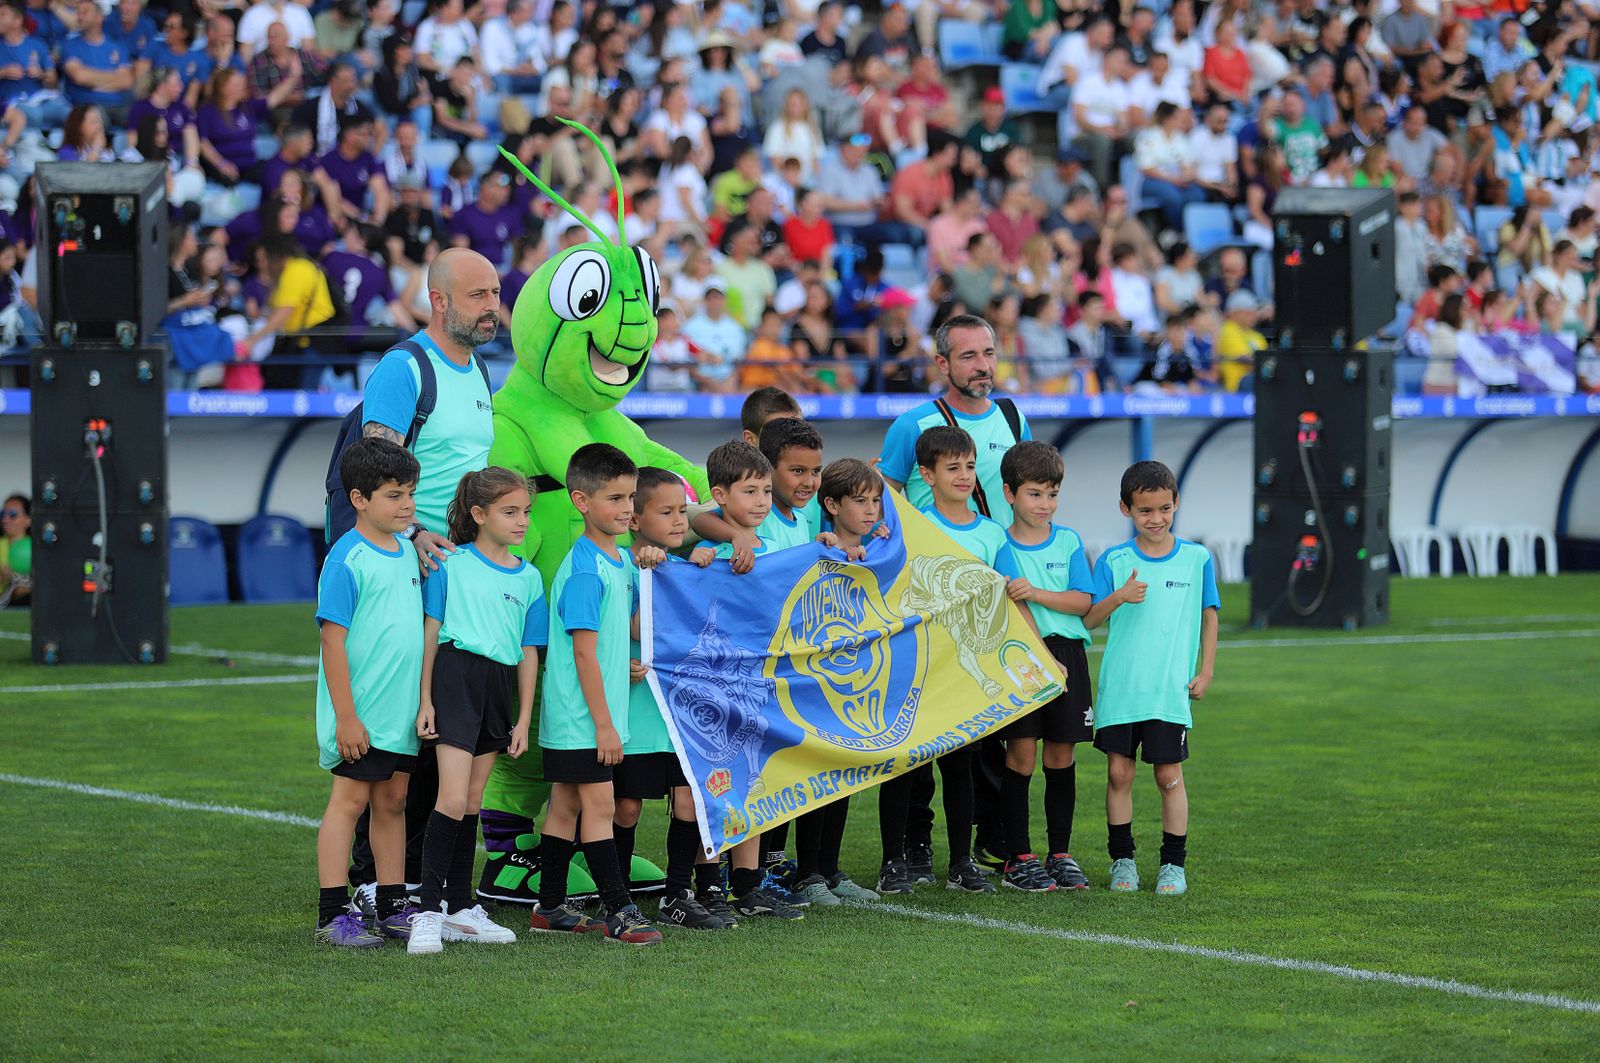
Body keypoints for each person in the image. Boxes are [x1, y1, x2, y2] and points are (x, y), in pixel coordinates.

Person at [342, 248, 499, 899]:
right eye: (478, 295)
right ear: (439, 301)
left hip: (455, 582)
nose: (494, 307)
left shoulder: (480, 369)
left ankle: (419, 879)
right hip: (403, 580)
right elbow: (376, 460)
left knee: (442, 735)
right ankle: (367, 880)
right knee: (398, 737)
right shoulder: (406, 368)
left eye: (495, 293)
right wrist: (412, 532)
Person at [528, 443, 664, 945]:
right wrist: (604, 725)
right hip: (582, 718)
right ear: (581, 501)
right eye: (614, 498)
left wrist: (620, 661)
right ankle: (619, 911)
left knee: (565, 807)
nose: (627, 508)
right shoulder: (585, 568)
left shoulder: (619, 559)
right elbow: (582, 654)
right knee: (600, 808)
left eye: (630, 497)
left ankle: (549, 908)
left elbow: (617, 631)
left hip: (593, 712)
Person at [877, 425, 1022, 896]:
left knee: (962, 765)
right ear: (927, 474)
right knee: (905, 763)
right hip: (917, 663)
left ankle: (962, 861)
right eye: (952, 468)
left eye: (968, 466)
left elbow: (1013, 600)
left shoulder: (992, 533)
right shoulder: (910, 526)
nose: (964, 476)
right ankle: (893, 860)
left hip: (963, 671)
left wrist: (1041, 659)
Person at [406, 468, 544, 954]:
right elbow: (431, 630)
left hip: (496, 687)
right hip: (454, 676)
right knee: (450, 797)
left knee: (471, 802)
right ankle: (427, 912)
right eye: (510, 512)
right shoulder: (451, 564)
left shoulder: (529, 578)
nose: (522, 520)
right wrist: (425, 699)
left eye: (526, 511)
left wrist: (523, 718)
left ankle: (461, 908)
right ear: (479, 515)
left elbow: (529, 652)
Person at [1084, 461, 1218, 897]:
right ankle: (1123, 862)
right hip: (1121, 691)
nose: (1156, 519)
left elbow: (1209, 616)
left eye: (1164, 508)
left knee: (1169, 778)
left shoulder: (1197, 559)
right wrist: (1119, 597)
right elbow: (1087, 619)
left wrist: (1207, 670)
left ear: (1176, 503)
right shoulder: (1113, 560)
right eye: (1145, 511)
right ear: (1126, 509)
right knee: (1119, 775)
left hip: (1168, 692)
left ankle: (1173, 866)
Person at [312, 437, 425, 947]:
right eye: (395, 496)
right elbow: (331, 642)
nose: (407, 506)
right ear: (358, 499)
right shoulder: (346, 558)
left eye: (410, 494)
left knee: (394, 801)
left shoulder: (407, 549)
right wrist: (346, 717)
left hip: (400, 713)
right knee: (349, 802)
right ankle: (333, 912)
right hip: (360, 713)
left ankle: (392, 902)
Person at [687, 439, 806, 920]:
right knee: (715, 786)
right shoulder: (705, 550)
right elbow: (693, 520)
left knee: (755, 784)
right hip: (715, 694)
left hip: (761, 689)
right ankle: (707, 883)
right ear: (720, 494)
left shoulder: (778, 550)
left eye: (764, 491)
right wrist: (701, 558)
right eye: (750, 491)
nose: (760, 501)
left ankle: (747, 886)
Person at [621, 467, 731, 931]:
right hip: (636, 711)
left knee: (688, 801)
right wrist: (652, 573)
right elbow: (634, 631)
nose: (678, 521)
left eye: (682, 511)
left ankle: (677, 894)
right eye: (665, 512)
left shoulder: (685, 565)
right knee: (626, 806)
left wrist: (705, 552)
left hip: (681, 713)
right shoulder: (629, 565)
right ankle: (618, 893)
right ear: (634, 519)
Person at [993, 441, 1095, 893]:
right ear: (1010, 494)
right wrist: (1042, 657)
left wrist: (1035, 591)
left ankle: (1060, 854)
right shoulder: (999, 542)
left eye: (1052, 494)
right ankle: (1017, 856)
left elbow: (1082, 600)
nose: (1045, 504)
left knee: (1061, 754)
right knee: (1022, 754)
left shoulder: (1069, 540)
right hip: (1025, 656)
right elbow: (1012, 609)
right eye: (1035, 494)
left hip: (1069, 654)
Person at [879, 313, 1032, 527]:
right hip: (940, 559)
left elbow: (1030, 500)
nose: (983, 366)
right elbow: (878, 512)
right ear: (942, 364)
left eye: (989, 353)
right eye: (968, 356)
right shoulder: (911, 426)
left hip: (1005, 559)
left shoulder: (1013, 418)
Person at [0, 492, 28, 606]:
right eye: (3, 514)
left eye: (12, 514)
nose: (5, 520)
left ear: (28, 519)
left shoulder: (37, 547)